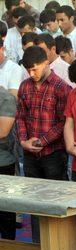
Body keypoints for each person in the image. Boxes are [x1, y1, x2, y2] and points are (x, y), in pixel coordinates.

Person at [17, 45, 71, 242]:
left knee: (56, 199)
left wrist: (42, 141)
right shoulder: (24, 86)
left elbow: (64, 122)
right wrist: (24, 141)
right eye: (28, 70)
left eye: (35, 69)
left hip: (54, 153)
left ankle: (59, 241)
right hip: (30, 154)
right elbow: (20, 117)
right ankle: (39, 243)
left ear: (46, 62)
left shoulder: (62, 87)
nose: (32, 74)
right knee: (34, 201)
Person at [0, 86, 16, 240]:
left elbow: (2, 131)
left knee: (5, 207)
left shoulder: (6, 98)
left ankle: (8, 242)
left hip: (3, 161)